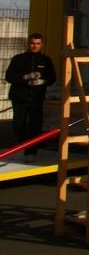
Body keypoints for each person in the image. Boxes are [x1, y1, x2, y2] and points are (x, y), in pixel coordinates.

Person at [5, 33, 57, 163]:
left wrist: (42, 82)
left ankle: (31, 152)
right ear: (29, 44)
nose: (35, 46)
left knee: (35, 126)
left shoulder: (46, 60)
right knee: (19, 125)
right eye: (33, 43)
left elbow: (52, 78)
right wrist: (25, 77)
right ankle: (27, 145)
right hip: (19, 98)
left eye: (38, 43)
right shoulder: (18, 59)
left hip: (36, 98)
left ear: (42, 44)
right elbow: (9, 77)